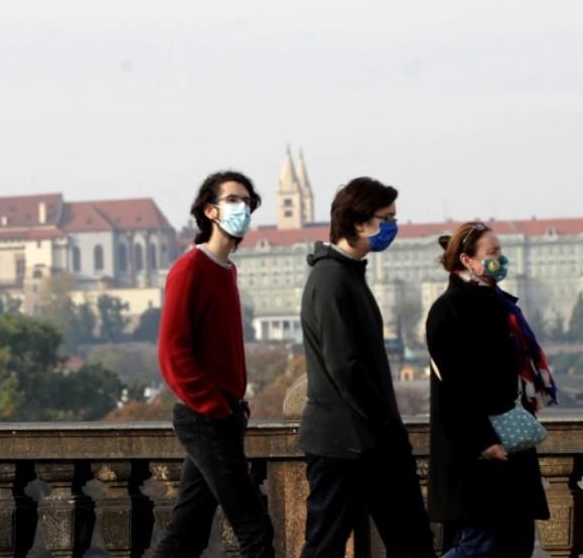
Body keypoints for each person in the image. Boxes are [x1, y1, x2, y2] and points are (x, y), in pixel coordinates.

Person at [298, 177, 435, 557]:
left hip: (365, 438)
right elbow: (345, 367)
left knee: (413, 542)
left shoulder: (346, 275)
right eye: (386, 217)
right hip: (347, 441)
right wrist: (386, 422)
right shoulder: (331, 280)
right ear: (360, 222)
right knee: (326, 546)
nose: (393, 225)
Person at [152, 170, 275, 558]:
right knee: (255, 527)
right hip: (205, 417)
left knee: (186, 535)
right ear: (210, 210)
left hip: (221, 413)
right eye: (234, 200)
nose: (243, 209)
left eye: (248, 203)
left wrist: (233, 402)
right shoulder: (190, 269)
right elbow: (172, 353)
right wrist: (215, 406)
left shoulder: (226, 270)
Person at [426, 221, 555, 558]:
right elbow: (454, 389)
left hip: (511, 441)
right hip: (479, 452)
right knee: (480, 547)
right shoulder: (448, 311)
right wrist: (482, 440)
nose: (501, 259)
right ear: (467, 260)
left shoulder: (499, 305)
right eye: (493, 253)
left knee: (515, 545)